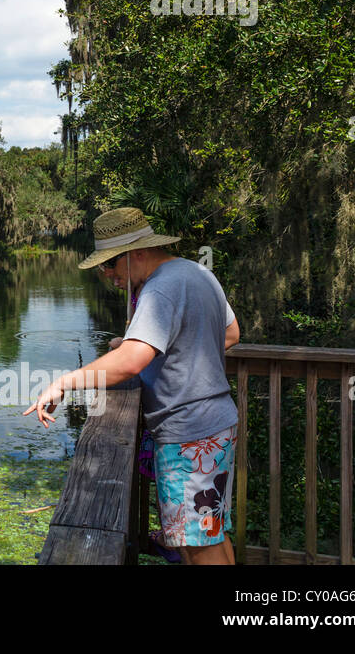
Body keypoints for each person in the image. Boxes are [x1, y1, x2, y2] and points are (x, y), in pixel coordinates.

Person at [23, 206, 241, 565]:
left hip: (188, 432)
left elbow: (131, 362)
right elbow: (230, 333)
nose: (107, 274)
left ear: (136, 252)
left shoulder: (161, 288)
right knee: (209, 532)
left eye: (110, 263)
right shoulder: (196, 271)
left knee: (197, 544)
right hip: (215, 424)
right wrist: (159, 348)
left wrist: (64, 383)